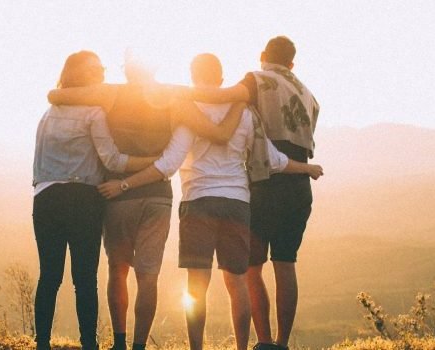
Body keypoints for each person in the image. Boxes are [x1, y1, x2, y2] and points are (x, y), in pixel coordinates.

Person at [97, 53, 323, 350]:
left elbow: (169, 164)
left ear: (193, 77)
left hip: (198, 202)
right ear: (220, 77)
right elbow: (272, 160)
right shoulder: (244, 112)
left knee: (197, 285)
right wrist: (306, 168)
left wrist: (125, 182)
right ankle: (242, 347)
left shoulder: (189, 112)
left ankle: (196, 348)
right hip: (237, 203)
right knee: (237, 282)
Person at [48, 55, 242, 350]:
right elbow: (217, 133)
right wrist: (242, 99)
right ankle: (139, 344)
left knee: (118, 270)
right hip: (157, 197)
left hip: (117, 196)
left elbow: (56, 94)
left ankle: (120, 343)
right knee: (148, 276)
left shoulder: (111, 93)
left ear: (126, 69)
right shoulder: (174, 97)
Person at [184, 36, 321, 350]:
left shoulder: (256, 80)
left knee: (251, 267)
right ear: (292, 63)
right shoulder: (309, 94)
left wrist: (175, 95)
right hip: (298, 184)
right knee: (286, 264)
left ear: (263, 56)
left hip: (263, 183)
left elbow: (222, 96)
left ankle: (263, 341)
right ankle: (282, 343)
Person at [32, 50, 157, 350]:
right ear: (78, 74)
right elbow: (112, 160)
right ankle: (89, 343)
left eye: (101, 67)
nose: (101, 72)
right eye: (94, 69)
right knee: (85, 278)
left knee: (49, 275)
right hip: (82, 199)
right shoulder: (93, 113)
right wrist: (153, 162)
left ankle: (42, 343)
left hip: (45, 198)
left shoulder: (47, 114)